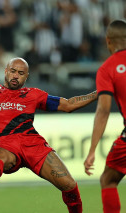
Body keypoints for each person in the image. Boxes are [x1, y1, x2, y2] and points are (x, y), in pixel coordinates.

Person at [0, 58, 97, 213]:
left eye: (21, 73)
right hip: (4, 146)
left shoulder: (33, 94)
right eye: (12, 71)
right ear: (6, 71)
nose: (15, 76)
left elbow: (69, 105)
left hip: (33, 146)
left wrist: (99, 92)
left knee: (69, 185)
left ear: (26, 77)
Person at [84, 20, 126, 213]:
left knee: (108, 179)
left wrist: (92, 150)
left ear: (108, 41)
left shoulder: (107, 68)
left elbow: (103, 110)